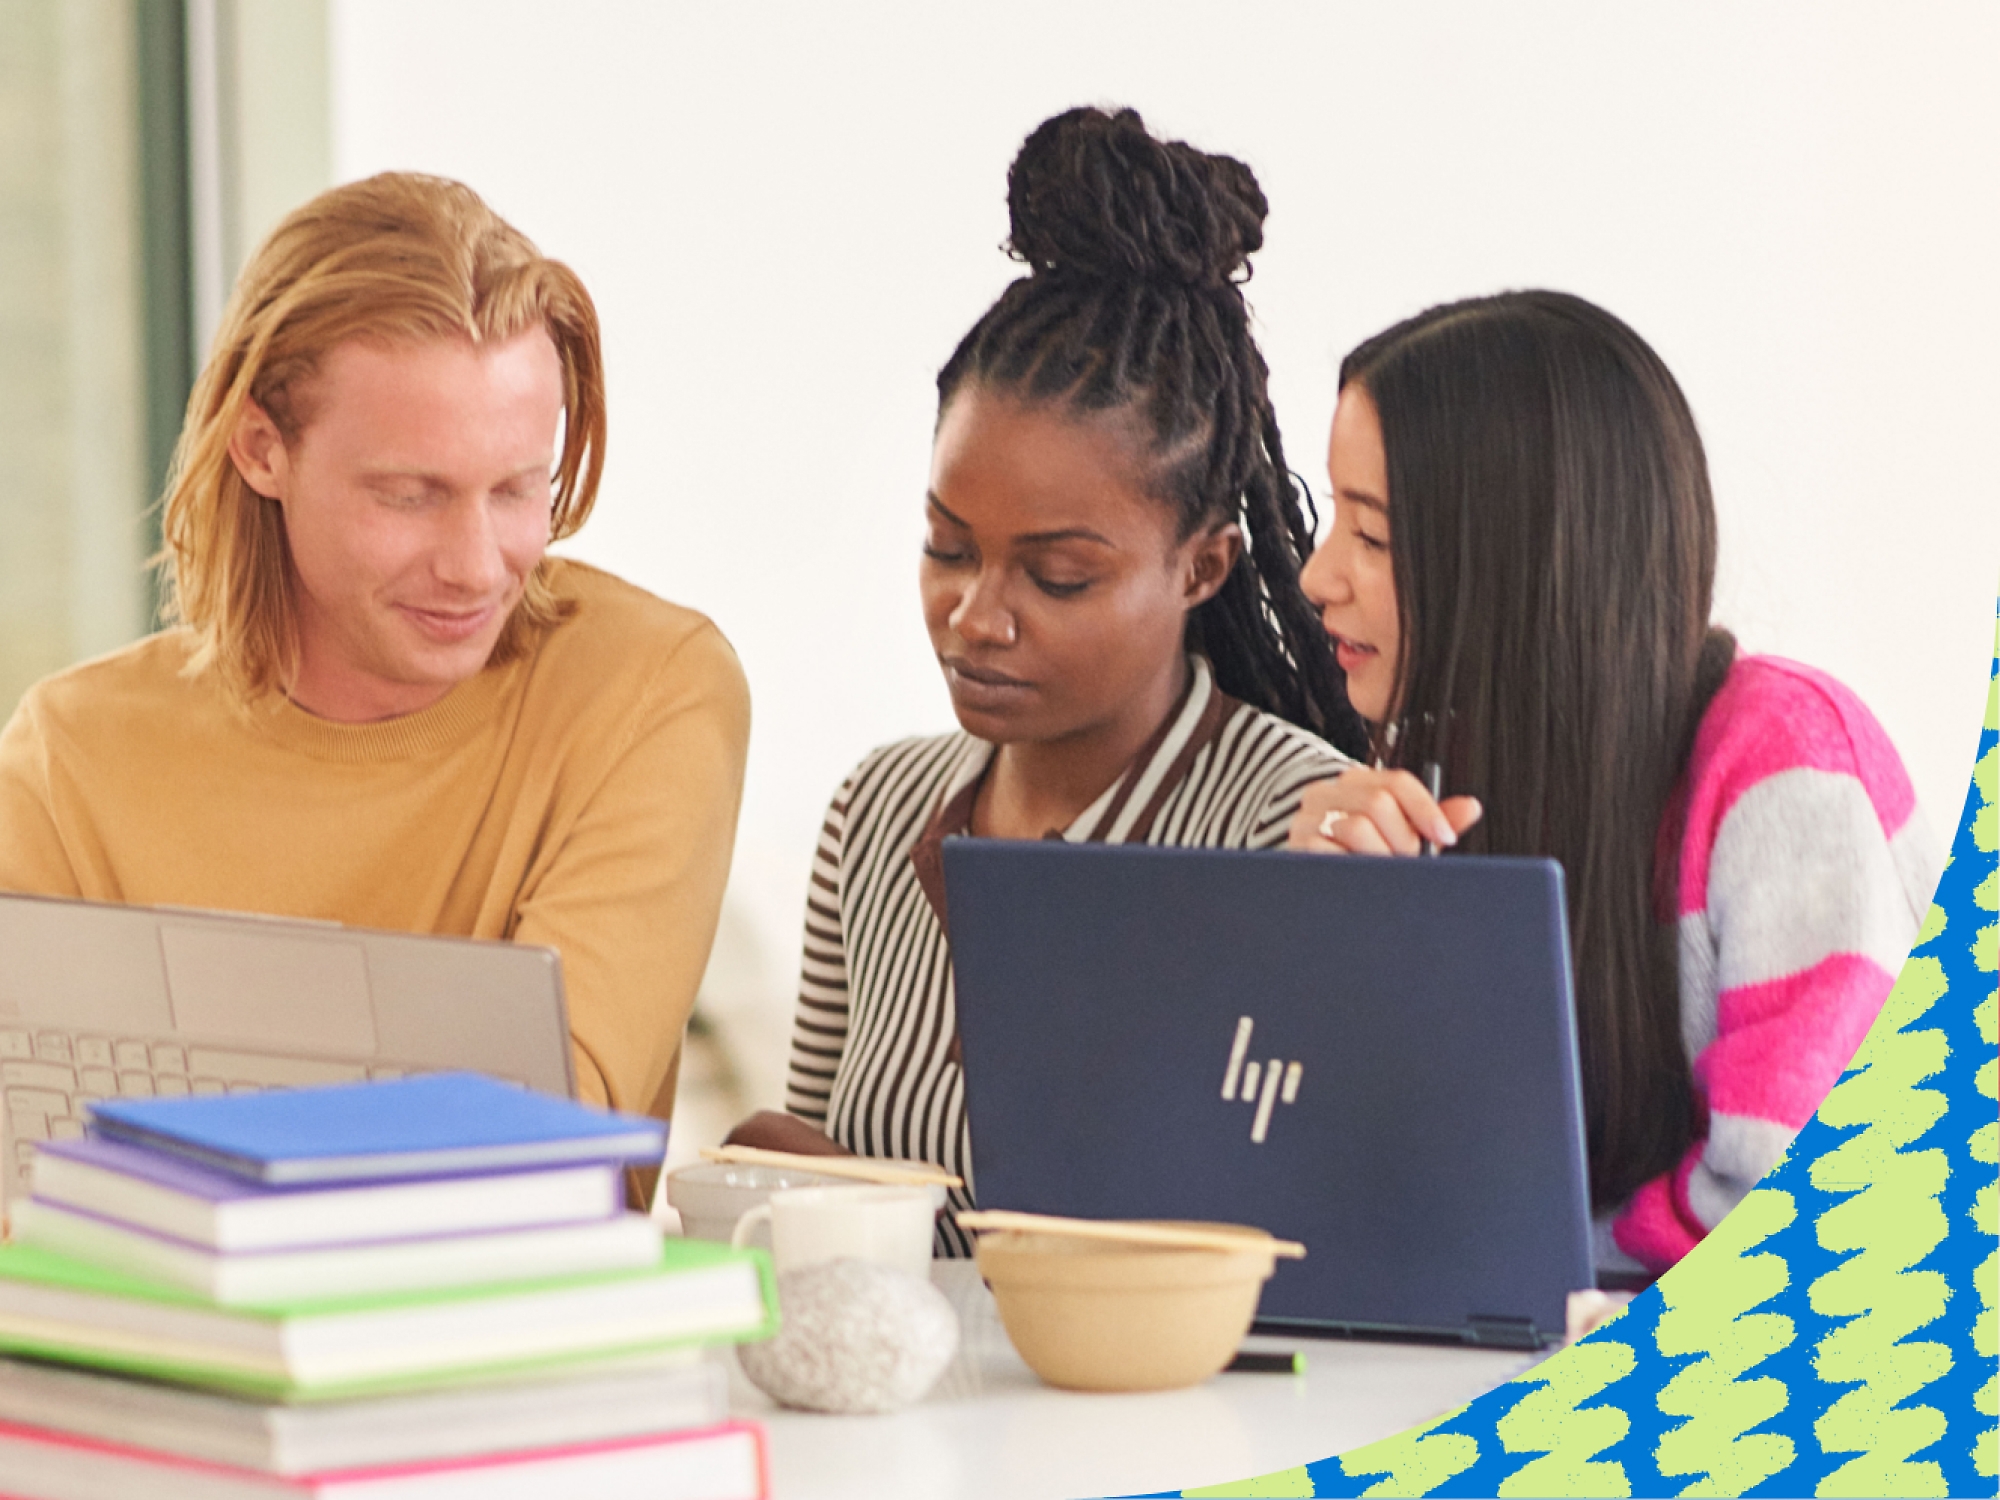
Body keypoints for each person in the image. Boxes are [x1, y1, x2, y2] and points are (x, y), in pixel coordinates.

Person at [729, 106, 1367, 1252]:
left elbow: (1253, 1247)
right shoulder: (875, 813)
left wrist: (884, 1216)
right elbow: (812, 1219)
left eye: (1057, 576)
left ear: (1202, 564)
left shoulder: (1297, 829)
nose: (974, 618)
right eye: (946, 547)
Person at [0, 173, 751, 1142]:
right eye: (409, 494)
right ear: (262, 450)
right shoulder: (72, 759)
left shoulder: (648, 689)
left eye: (519, 489)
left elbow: (549, 1144)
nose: (477, 567)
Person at [1287, 289, 1939, 1274]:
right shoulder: (1433, 788)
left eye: (1369, 536)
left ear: (1519, 557)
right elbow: (1372, 1194)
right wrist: (1326, 941)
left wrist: (1514, 1249)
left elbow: (1795, 1206)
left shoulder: (1788, 766)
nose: (1312, 575)